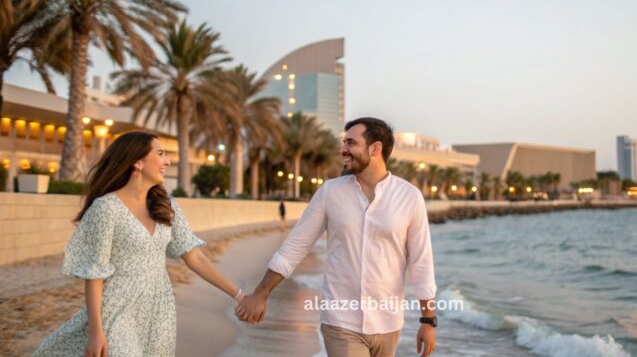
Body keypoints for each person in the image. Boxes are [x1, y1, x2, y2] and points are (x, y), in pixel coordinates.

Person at [236, 117, 438, 357]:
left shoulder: (410, 197)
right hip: (341, 321)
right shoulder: (330, 192)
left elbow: (421, 262)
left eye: (351, 143)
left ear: (375, 148)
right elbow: (294, 247)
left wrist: (428, 321)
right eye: (343, 142)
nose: (343, 149)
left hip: (389, 323)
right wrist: (261, 293)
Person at [34, 131, 243, 357]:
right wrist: (95, 332)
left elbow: (195, 257)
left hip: (159, 311)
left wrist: (239, 295)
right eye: (160, 154)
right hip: (117, 309)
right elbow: (95, 275)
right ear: (138, 162)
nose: (167, 161)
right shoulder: (106, 208)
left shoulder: (167, 206)